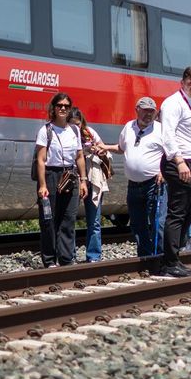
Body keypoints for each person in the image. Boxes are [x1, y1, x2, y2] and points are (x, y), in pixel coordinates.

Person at [157, 65, 191, 278]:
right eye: (190, 82)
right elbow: (167, 135)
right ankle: (170, 261)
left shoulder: (190, 104)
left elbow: (188, 133)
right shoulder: (172, 103)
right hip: (177, 161)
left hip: (189, 159)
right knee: (177, 211)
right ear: (182, 82)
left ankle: (174, 252)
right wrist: (179, 162)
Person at [33, 92, 86, 267]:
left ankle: (66, 258)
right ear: (53, 108)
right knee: (49, 219)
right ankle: (49, 260)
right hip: (51, 175)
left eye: (66, 106)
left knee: (68, 219)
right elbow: (41, 160)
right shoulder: (45, 130)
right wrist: (42, 185)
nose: (63, 108)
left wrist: (83, 180)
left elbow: (79, 157)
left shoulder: (74, 130)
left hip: (70, 176)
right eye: (59, 105)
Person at [118, 96, 165, 263]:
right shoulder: (128, 127)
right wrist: (103, 148)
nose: (149, 114)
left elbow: (172, 153)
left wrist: (163, 171)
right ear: (137, 110)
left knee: (157, 223)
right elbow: (122, 148)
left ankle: (159, 258)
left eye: (152, 111)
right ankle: (145, 257)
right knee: (137, 224)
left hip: (154, 183)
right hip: (133, 185)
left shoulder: (161, 129)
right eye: (145, 111)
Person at [71, 107, 114, 264]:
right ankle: (70, 256)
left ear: (81, 122)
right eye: (72, 125)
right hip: (74, 179)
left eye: (77, 124)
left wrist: (98, 150)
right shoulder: (66, 135)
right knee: (69, 219)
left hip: (93, 178)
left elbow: (104, 151)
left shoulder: (90, 132)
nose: (75, 128)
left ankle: (93, 256)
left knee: (94, 220)